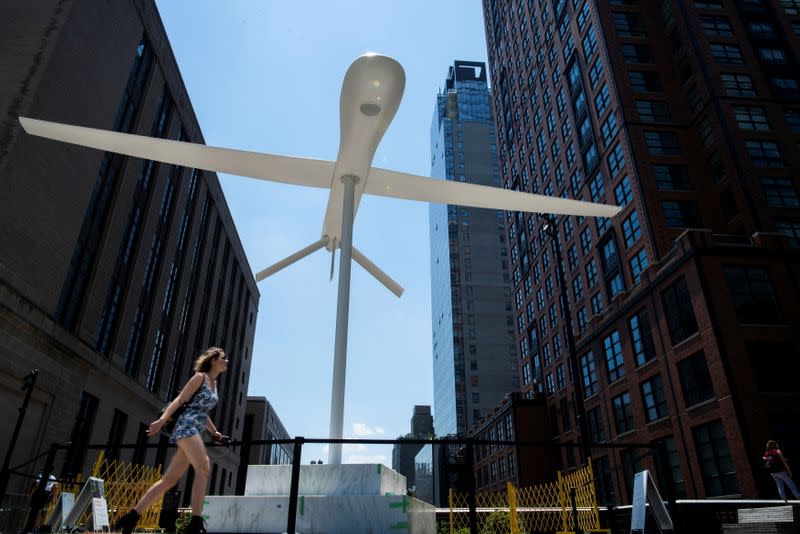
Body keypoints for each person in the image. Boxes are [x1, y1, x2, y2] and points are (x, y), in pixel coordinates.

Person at [113, 347, 230, 534]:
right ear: (214, 360)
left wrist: (215, 432)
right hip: (187, 425)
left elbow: (203, 411)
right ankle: (196, 523)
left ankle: (131, 517)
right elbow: (179, 400)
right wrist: (161, 420)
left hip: (196, 428)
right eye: (224, 358)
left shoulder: (214, 384)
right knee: (204, 466)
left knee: (169, 480)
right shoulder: (199, 377)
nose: (227, 361)